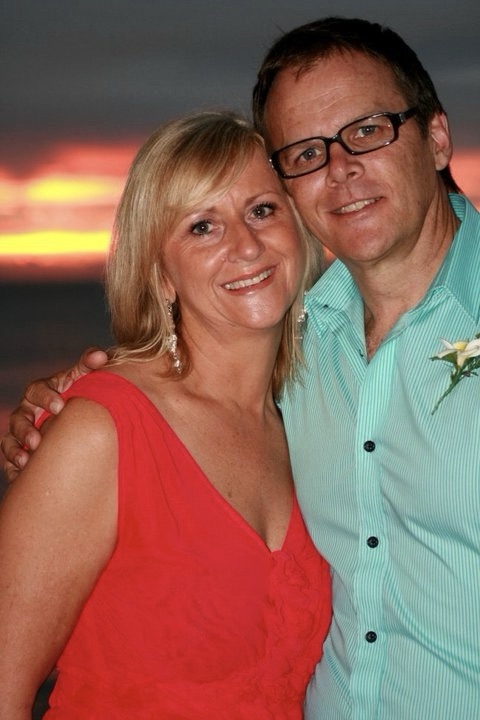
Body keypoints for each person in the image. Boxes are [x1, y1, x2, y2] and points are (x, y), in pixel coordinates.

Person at [3, 15, 480, 719]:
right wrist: (61, 426)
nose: (341, 168)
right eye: (308, 152)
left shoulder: (294, 385)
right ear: (159, 272)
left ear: (436, 137)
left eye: (368, 129)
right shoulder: (110, 427)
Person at [0, 110, 330, 719]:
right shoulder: (102, 432)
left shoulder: (312, 420)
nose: (246, 245)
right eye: (203, 226)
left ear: (299, 229)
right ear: (160, 273)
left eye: (262, 210)